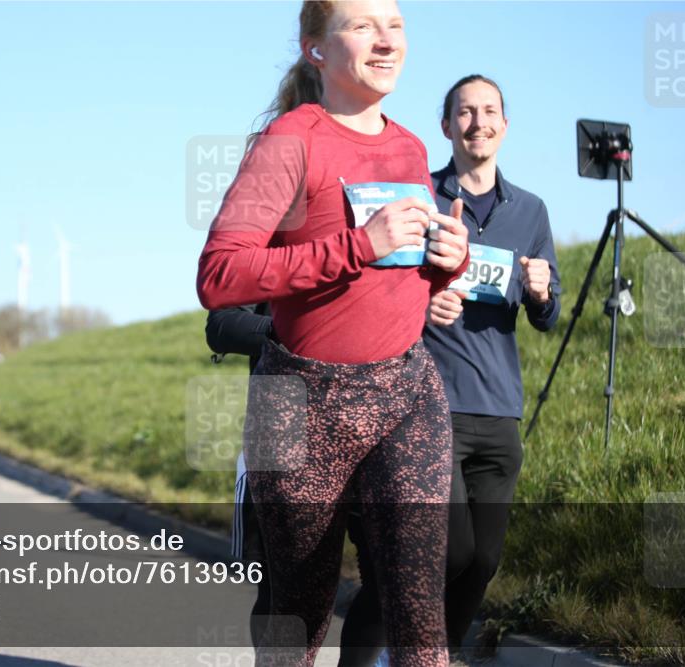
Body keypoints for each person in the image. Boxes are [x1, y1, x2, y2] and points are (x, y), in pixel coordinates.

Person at [196, 1, 470, 664]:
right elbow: (220, 274)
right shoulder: (293, 141)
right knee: (299, 610)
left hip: (405, 391)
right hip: (302, 402)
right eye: (362, 25)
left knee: (418, 610)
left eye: (396, 25)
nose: (386, 40)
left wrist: (448, 259)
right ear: (316, 48)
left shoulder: (409, 147)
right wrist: (357, 245)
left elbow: (399, 278)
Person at [423, 74, 561, 654]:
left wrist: (540, 291)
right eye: (464, 112)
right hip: (431, 406)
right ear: (447, 125)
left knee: (483, 560)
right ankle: (401, 642)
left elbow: (546, 318)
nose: (477, 122)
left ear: (504, 125)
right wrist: (423, 303)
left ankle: (438, 655)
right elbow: (382, 294)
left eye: (488, 112)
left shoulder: (530, 211)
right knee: (447, 552)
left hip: (500, 412)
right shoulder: (421, 198)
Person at [207, 306, 389, 667]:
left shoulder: (399, 249)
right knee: (282, 590)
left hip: (371, 436)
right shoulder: (273, 249)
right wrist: (305, 326)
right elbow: (223, 324)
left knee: (387, 579)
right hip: (283, 434)